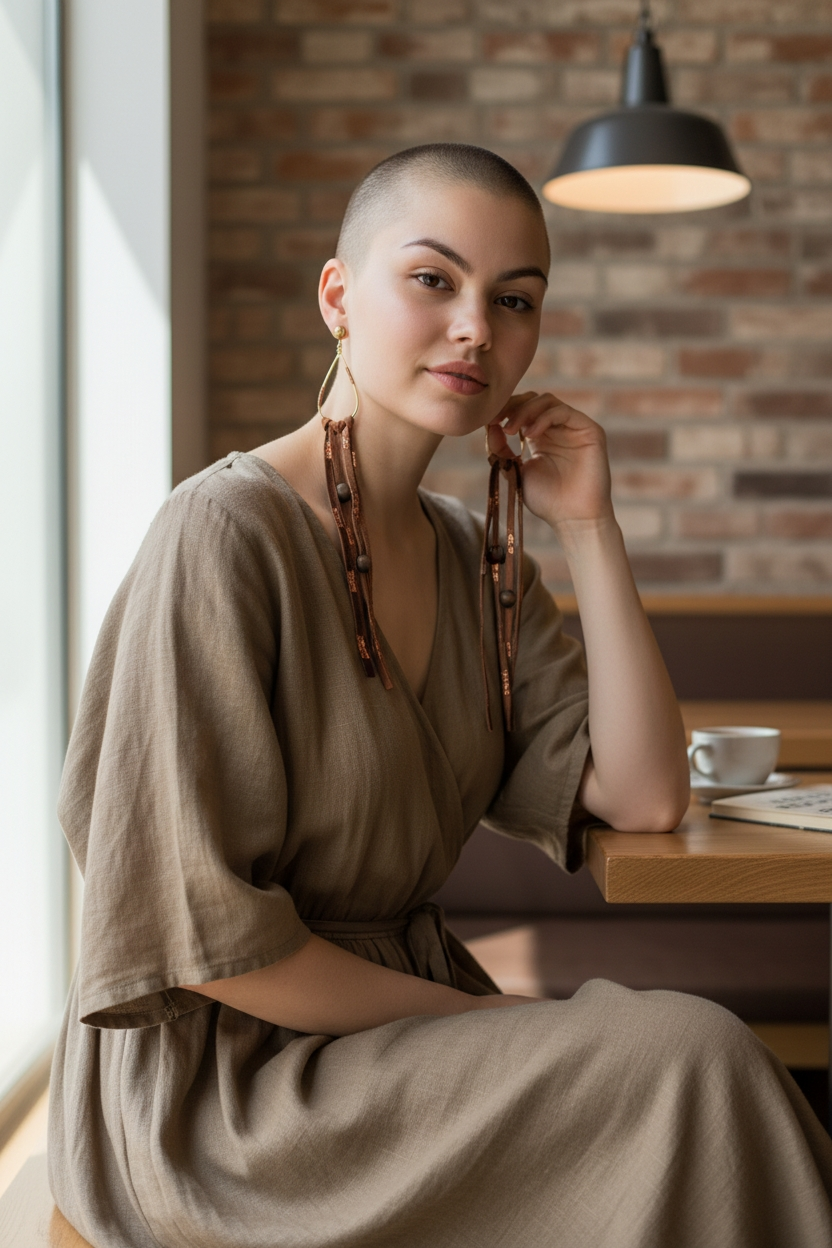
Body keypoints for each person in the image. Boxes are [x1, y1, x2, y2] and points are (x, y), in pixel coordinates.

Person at [49, 144, 832, 1248]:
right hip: (228, 1093)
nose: (478, 327)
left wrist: (588, 527)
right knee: (685, 1058)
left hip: (398, 1044)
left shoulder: (477, 557)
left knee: (685, 1071)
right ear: (337, 296)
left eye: (515, 300)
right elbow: (214, 948)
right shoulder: (221, 534)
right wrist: (485, 1020)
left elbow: (648, 796)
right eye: (433, 280)